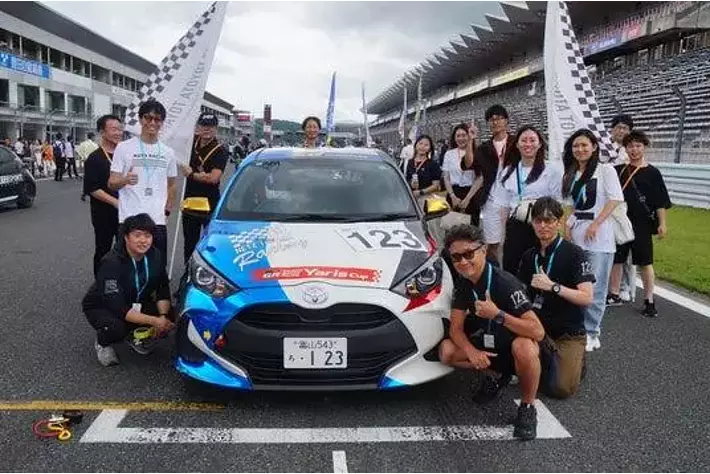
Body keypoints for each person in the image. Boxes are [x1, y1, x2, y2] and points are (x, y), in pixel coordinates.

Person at [439, 224, 545, 441]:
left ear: (484, 250)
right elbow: (455, 328)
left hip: (512, 347)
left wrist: (498, 315)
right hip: (488, 345)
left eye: (469, 254)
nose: (463, 262)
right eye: (456, 257)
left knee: (524, 347)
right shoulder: (464, 283)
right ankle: (495, 376)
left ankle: (528, 407)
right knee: (446, 351)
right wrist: (471, 352)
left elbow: (538, 331)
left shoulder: (505, 283)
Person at [517, 197, 595, 398]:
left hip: (568, 332)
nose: (543, 226)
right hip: (539, 329)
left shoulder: (575, 253)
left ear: (559, 222)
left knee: (560, 389)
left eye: (549, 220)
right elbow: (520, 291)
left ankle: (575, 360)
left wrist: (554, 287)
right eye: (538, 221)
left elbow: (587, 297)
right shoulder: (529, 256)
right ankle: (546, 358)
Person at [82, 213, 176, 366]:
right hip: (102, 305)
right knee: (116, 328)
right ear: (126, 237)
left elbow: (162, 287)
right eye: (137, 235)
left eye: (147, 235)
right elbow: (117, 307)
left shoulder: (155, 255)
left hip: (135, 299)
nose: (143, 240)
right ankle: (103, 342)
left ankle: (136, 332)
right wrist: (154, 321)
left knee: (173, 315)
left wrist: (163, 317)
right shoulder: (110, 262)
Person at [561, 129, 624, 352]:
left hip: (599, 236)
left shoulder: (605, 170)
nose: (580, 149)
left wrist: (596, 224)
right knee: (576, 284)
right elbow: (570, 205)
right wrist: (566, 227)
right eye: (575, 146)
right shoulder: (570, 173)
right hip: (577, 233)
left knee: (595, 287)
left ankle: (592, 332)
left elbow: (615, 199)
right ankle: (578, 327)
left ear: (594, 147)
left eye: (584, 145)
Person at [608, 131, 671, 318]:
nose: (634, 150)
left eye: (638, 146)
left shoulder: (653, 173)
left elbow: (660, 201)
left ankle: (649, 300)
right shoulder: (617, 170)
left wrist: (662, 223)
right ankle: (614, 294)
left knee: (645, 262)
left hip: (642, 223)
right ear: (625, 148)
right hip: (620, 221)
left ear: (644, 147)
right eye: (630, 146)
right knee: (617, 259)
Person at [108, 99, 178, 260]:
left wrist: (167, 210)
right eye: (148, 117)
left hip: (157, 220)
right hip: (129, 219)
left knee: (157, 266)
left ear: (162, 123)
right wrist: (125, 180)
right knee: (126, 267)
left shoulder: (168, 152)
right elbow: (111, 183)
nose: (152, 123)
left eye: (157, 119)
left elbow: (172, 185)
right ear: (140, 119)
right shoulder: (124, 147)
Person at [492, 126, 562, 274]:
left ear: (540, 144)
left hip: (543, 225)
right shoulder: (508, 171)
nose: (528, 144)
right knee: (513, 266)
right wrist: (503, 236)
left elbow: (558, 202)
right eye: (524, 140)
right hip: (516, 225)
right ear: (517, 144)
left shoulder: (551, 169)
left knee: (542, 267)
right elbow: (504, 207)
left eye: (532, 140)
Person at [180, 112, 229, 263]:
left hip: (210, 204)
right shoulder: (190, 143)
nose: (207, 129)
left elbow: (214, 178)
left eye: (211, 126)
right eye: (204, 125)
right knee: (189, 244)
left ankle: (209, 272)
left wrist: (192, 175)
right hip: (190, 202)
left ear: (216, 128)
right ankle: (187, 272)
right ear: (198, 127)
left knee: (211, 244)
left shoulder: (220, 150)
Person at [475, 105, 516, 264]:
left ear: (506, 120)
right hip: (491, 201)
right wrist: (472, 140)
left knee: (512, 242)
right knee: (492, 243)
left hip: (514, 200)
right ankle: (495, 271)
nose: (495, 122)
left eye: (499, 118)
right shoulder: (484, 148)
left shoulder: (517, 142)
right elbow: (471, 165)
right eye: (491, 120)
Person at [83, 115, 123, 277]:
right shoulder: (95, 158)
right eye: (114, 129)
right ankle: (100, 284)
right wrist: (114, 202)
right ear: (102, 132)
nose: (118, 133)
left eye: (120, 129)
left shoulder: (126, 154)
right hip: (103, 213)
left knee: (126, 250)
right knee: (103, 249)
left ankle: (123, 283)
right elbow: (92, 188)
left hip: (126, 213)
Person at [609, 114, 636, 303]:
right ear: (611, 129)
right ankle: (610, 285)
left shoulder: (632, 152)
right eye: (618, 127)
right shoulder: (603, 149)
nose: (621, 131)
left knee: (626, 247)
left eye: (625, 128)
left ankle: (626, 286)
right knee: (609, 247)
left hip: (626, 206)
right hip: (608, 205)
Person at [441, 123, 482, 225]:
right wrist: (452, 196)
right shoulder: (449, 154)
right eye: (458, 136)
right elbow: (446, 177)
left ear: (469, 136)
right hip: (453, 193)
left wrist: (467, 199)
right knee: (452, 228)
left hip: (471, 194)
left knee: (471, 229)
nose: (461, 138)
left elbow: (480, 178)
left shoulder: (477, 153)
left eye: (464, 135)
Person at [404, 135, 442, 204]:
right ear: (416, 145)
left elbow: (436, 185)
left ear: (430, 148)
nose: (422, 147)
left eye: (426, 145)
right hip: (412, 200)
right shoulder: (410, 162)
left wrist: (421, 192)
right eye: (420, 143)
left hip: (428, 200)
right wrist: (411, 183)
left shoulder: (433, 164)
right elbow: (407, 179)